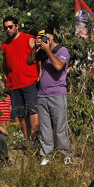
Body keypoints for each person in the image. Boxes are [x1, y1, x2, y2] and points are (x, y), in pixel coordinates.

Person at [28, 30, 71, 165]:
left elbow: (58, 66)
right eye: (40, 37)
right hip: (42, 94)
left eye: (45, 36)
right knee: (45, 128)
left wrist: (47, 51)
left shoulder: (62, 50)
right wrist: (36, 47)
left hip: (57, 93)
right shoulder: (41, 51)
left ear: (52, 36)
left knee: (59, 126)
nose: (43, 39)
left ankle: (65, 154)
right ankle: (46, 154)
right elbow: (29, 61)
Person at [0, 16, 38, 142]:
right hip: (14, 84)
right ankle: (27, 140)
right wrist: (6, 77)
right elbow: (5, 64)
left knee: (33, 110)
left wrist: (39, 75)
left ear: (17, 26)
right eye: (6, 28)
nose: (8, 30)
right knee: (19, 113)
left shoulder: (29, 38)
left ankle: (35, 137)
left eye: (10, 27)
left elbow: (38, 59)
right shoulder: (4, 45)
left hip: (30, 81)